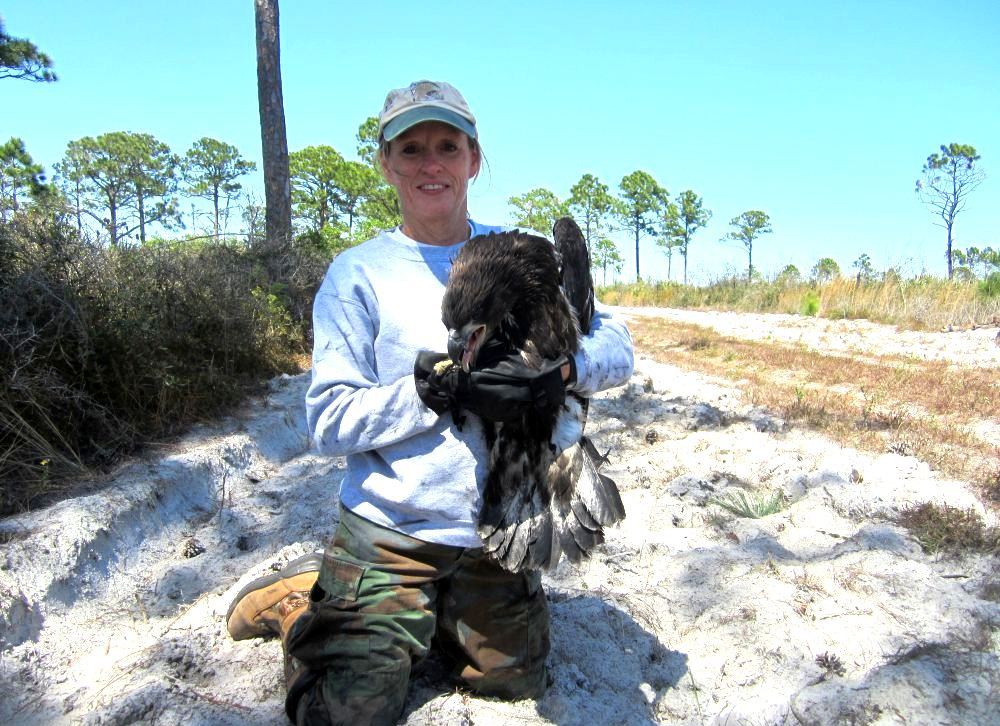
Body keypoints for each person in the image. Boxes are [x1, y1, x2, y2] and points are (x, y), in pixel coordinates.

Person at [226, 80, 634, 725]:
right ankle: (304, 601)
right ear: (386, 163)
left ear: (474, 158)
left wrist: (560, 373)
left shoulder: (525, 253)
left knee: (511, 684)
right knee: (345, 714)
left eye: (447, 145)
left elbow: (618, 346)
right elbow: (325, 423)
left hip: (491, 527)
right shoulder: (358, 275)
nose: (430, 163)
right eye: (410, 148)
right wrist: (428, 393)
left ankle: (444, 610)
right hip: (392, 531)